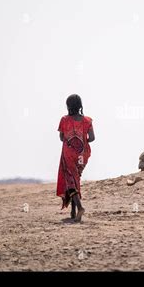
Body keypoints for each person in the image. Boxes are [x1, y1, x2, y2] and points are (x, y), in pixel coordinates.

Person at [56, 94, 95, 222]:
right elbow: (92, 138)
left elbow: (61, 138)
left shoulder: (64, 120)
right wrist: (82, 140)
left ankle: (80, 207)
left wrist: (71, 139)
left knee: (70, 181)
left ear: (68, 106)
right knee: (75, 179)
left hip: (69, 155)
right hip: (82, 155)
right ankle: (73, 212)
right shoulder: (87, 121)